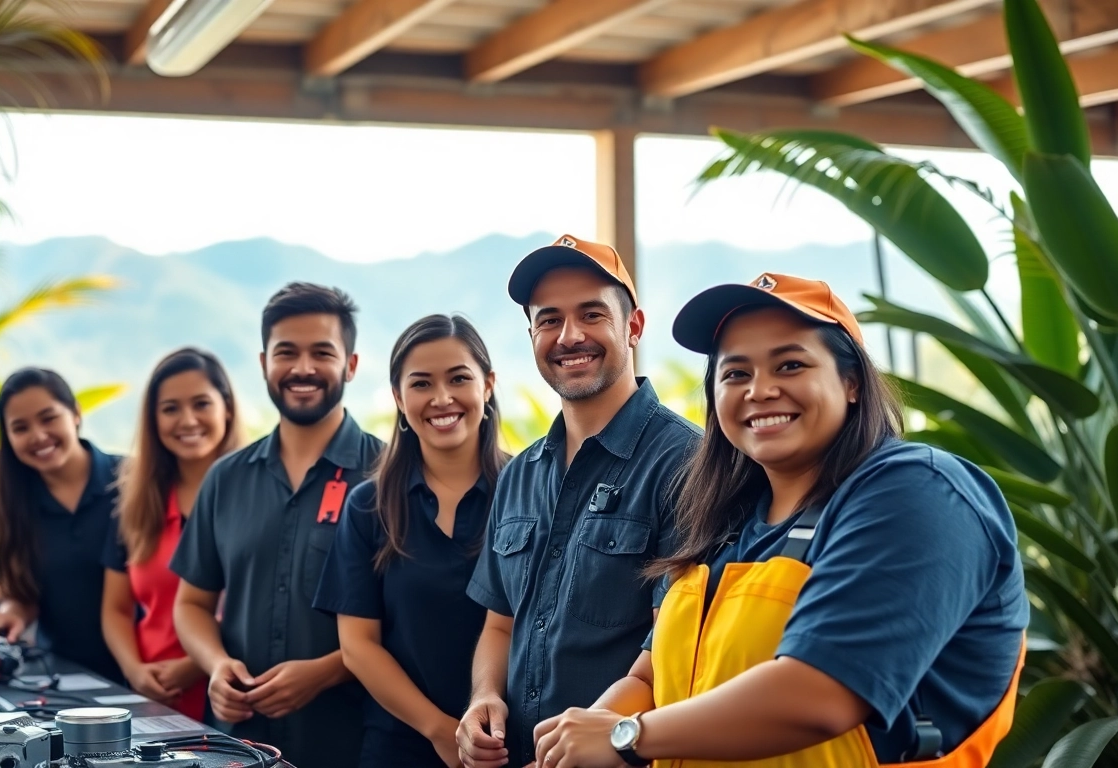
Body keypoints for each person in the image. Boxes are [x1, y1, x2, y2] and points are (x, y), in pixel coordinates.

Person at [530, 273, 1028, 768]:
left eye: (790, 365)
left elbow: (821, 693)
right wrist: (575, 744)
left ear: (851, 382)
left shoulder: (918, 492)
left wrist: (626, 736)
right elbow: (651, 678)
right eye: (736, 373)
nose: (760, 390)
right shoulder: (722, 524)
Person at [458, 235, 701, 768]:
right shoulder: (520, 473)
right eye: (549, 320)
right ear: (531, 334)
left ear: (633, 326)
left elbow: (676, 647)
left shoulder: (688, 463)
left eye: (591, 314)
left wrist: (592, 741)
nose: (569, 336)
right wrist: (483, 698)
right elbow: (501, 622)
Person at [171, 282, 383, 767]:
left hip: (350, 742)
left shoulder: (387, 475)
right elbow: (192, 604)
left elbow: (407, 622)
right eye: (287, 352)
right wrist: (216, 665)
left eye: (321, 353)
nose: (303, 368)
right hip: (235, 744)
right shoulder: (226, 477)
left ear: (350, 365)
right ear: (265, 362)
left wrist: (325, 673)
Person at [314, 314, 510, 768]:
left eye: (459, 378)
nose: (442, 398)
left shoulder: (530, 491)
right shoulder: (369, 506)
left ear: (488, 385)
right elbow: (359, 645)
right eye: (421, 384)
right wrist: (440, 730)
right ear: (400, 399)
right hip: (398, 745)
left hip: (505, 742)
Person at [102, 348, 242, 719]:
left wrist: (196, 664)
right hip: (150, 695)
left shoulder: (254, 497)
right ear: (153, 419)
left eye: (201, 404)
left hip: (232, 693)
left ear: (226, 408)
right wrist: (133, 670)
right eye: (170, 409)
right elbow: (116, 608)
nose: (188, 420)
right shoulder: (134, 502)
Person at [0, 367, 124, 683]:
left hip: (152, 674)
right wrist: (8, 614)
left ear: (76, 413)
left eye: (49, 418)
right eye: (20, 428)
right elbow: (22, 593)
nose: (38, 436)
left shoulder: (132, 481)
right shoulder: (9, 506)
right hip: (67, 679)